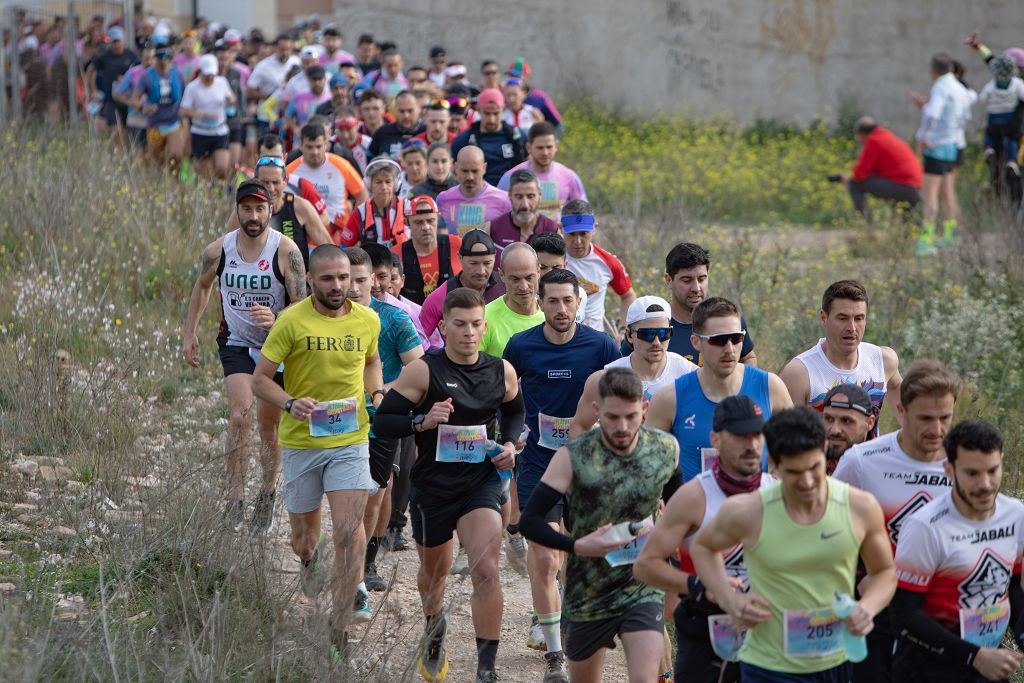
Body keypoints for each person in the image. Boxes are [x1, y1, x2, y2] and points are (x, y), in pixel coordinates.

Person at [372, 288, 524, 683]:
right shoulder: (424, 370)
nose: (469, 332)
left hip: (480, 485)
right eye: (459, 325)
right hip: (432, 488)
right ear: (443, 327)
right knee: (434, 574)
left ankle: (486, 666)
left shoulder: (500, 370)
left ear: (484, 326)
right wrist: (422, 422)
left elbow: (514, 409)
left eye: (476, 325)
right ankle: (433, 626)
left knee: (487, 569)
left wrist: (508, 443)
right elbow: (383, 423)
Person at [690, 406, 897, 682]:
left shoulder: (859, 507)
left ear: (824, 448)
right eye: (795, 472)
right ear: (774, 464)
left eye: (815, 467)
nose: (808, 481)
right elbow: (702, 548)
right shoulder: (750, 512)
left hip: (836, 661)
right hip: (769, 665)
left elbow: (884, 573)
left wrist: (867, 608)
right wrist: (729, 599)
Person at [519, 367, 679, 683]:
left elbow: (678, 509)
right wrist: (577, 546)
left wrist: (673, 548)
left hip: (641, 586)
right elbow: (530, 521)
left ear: (645, 409)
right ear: (597, 410)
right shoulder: (572, 456)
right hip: (588, 590)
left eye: (631, 416)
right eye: (612, 417)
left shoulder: (664, 450)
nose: (622, 427)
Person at [182, 181, 306, 532]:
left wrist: (278, 318)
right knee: (239, 416)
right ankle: (234, 499)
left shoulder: (286, 251)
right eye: (247, 209)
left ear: (270, 211)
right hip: (236, 343)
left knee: (269, 428)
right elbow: (203, 286)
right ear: (237, 210)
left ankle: (266, 495)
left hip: (277, 348)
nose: (253, 217)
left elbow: (302, 302)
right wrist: (189, 333)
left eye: (260, 209)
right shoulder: (219, 250)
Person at [833, 360, 961, 682]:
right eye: (925, 419)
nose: (936, 430)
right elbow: (830, 534)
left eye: (945, 418)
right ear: (901, 410)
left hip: (941, 617)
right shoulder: (861, 462)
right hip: (878, 614)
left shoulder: (965, 465)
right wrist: (858, 580)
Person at [634, 395, 775, 683]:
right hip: (705, 629)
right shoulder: (694, 496)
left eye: (757, 435)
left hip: (766, 628)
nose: (752, 445)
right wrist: (699, 585)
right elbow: (645, 565)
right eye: (740, 436)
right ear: (716, 439)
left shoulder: (779, 493)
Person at [890, 419, 1024, 683]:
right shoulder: (925, 527)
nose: (985, 484)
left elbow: (1011, 584)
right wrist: (973, 655)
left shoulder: (1016, 514)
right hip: (929, 668)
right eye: (972, 473)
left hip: (988, 660)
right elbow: (903, 615)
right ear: (949, 471)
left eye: (992, 471)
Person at [341, 247, 423, 600]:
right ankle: (344, 563)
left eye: (363, 280)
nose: (356, 288)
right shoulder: (319, 318)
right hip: (336, 424)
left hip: (380, 419)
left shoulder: (393, 319)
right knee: (347, 499)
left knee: (377, 496)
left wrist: (378, 391)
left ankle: (364, 567)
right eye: (350, 280)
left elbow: (419, 369)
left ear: (374, 280)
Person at [647, 297, 792, 482]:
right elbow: (649, 469)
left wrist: (775, 481)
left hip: (755, 507)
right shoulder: (669, 399)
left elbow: (797, 451)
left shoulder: (771, 388)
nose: (730, 349)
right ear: (696, 342)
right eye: (719, 340)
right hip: (695, 508)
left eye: (736, 338)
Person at [780, 279, 902, 437]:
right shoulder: (799, 373)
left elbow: (910, 413)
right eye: (843, 318)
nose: (851, 328)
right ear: (824, 317)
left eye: (859, 318)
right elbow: (783, 442)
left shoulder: (883, 360)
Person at [570, 295, 697, 437]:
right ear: (629, 335)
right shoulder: (603, 379)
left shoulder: (689, 374)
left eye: (663, 333)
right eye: (647, 334)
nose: (656, 342)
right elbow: (579, 427)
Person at [622, 242, 757, 365]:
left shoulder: (726, 318)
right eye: (687, 280)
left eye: (701, 279)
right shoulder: (651, 323)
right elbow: (624, 368)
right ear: (669, 280)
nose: (696, 288)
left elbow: (748, 358)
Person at [915, 53, 969, 255]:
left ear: (934, 70)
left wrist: (922, 137)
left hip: (936, 145)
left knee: (929, 196)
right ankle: (949, 236)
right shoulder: (959, 87)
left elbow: (932, 113)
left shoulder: (940, 86)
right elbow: (965, 115)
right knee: (947, 193)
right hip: (952, 145)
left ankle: (926, 240)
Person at [561, 200, 637, 334]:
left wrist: (623, 329)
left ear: (594, 228)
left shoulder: (608, 262)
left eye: (584, 233)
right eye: (572, 234)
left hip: (595, 340)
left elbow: (628, 296)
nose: (578, 241)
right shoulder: (551, 260)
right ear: (560, 229)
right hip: (558, 338)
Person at [286, 123, 368, 242]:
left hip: (340, 234)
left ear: (326, 144)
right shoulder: (290, 171)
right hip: (305, 237)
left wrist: (354, 226)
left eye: (319, 146)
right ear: (301, 145)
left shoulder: (342, 165)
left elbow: (363, 195)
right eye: (309, 147)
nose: (314, 152)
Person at [419, 230, 505, 340]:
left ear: (495, 257)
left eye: (487, 263)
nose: (481, 271)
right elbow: (419, 341)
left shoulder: (506, 286)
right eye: (473, 263)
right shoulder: (440, 297)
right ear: (460, 258)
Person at [836, 117, 922, 222]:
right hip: (916, 188)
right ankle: (919, 230)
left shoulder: (874, 141)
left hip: (903, 187)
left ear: (862, 133)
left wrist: (848, 181)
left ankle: (866, 226)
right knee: (907, 223)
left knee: (855, 184)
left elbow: (859, 175)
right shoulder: (887, 136)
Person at [497, 122, 587, 223]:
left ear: (556, 146)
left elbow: (583, 215)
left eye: (549, 147)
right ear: (528, 147)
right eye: (540, 148)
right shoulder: (510, 178)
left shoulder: (569, 177)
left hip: (558, 236)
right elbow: (498, 215)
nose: (545, 153)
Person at [393, 195, 463, 305]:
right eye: (418, 222)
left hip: (452, 315)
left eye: (430, 220)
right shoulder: (396, 254)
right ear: (407, 223)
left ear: (438, 218)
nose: (426, 227)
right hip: (412, 318)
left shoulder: (456, 244)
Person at [479, 242, 545, 358]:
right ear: (501, 275)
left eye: (529, 278)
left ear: (539, 272)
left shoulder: (552, 314)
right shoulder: (485, 318)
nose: (524, 287)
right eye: (515, 279)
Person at [451, 88, 527, 186]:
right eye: (487, 113)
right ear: (478, 110)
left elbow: (529, 167)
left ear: (503, 109)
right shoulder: (463, 140)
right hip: (477, 194)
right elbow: (454, 171)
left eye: (496, 113)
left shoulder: (517, 136)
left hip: (511, 193)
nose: (491, 119)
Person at [179, 54, 236, 180]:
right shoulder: (192, 87)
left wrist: (230, 100)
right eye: (207, 75)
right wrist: (196, 113)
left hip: (220, 131)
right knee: (204, 173)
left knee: (222, 168)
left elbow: (231, 97)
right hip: (200, 132)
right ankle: (209, 194)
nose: (210, 78)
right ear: (201, 72)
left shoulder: (222, 82)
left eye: (212, 75)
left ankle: (222, 191)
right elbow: (183, 110)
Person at [436, 146, 513, 235]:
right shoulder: (443, 199)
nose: (470, 177)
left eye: (475, 171)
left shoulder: (504, 200)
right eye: (465, 171)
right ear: (456, 168)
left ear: (484, 168)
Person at [488, 169, 560, 262]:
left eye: (530, 196)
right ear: (509, 195)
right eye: (519, 197)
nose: (525, 205)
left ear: (540, 194)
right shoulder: (492, 229)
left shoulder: (552, 230)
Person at [134, 46, 185, 169]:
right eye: (161, 59)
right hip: (155, 123)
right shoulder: (146, 76)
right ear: (155, 59)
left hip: (173, 122)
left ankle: (175, 182)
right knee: (156, 161)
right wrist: (144, 108)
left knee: (176, 155)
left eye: (167, 59)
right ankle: (160, 184)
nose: (164, 62)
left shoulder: (177, 74)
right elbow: (135, 99)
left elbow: (185, 95)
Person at [340, 157, 408, 248]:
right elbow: (344, 246)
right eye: (378, 182)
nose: (384, 187)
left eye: (388, 181)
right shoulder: (360, 213)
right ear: (369, 184)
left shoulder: (407, 207)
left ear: (395, 184)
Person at [86, 25, 138, 140]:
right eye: (114, 42)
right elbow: (90, 71)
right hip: (111, 101)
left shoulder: (131, 55)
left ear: (123, 41)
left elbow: (140, 73)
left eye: (118, 41)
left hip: (127, 100)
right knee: (116, 131)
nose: (117, 45)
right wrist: (93, 90)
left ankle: (126, 155)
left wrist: (127, 80)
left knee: (127, 132)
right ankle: (117, 154)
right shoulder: (104, 57)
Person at [978, 54, 1024, 174]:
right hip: (1010, 117)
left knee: (990, 134)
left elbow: (982, 98)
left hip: (994, 116)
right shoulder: (1017, 83)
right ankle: (1011, 161)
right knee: (1012, 138)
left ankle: (989, 149)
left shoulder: (991, 85)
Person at [820, 383, 876, 474]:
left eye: (846, 421)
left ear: (870, 423)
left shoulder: (883, 468)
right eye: (829, 419)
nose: (835, 430)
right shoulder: (806, 466)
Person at [369, 90, 426, 159]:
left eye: (410, 111)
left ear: (419, 109)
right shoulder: (382, 132)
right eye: (401, 111)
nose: (406, 115)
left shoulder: (427, 132)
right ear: (395, 110)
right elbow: (370, 160)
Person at [283, 65, 331, 133]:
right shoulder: (298, 97)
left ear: (325, 80)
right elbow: (288, 117)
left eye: (320, 79)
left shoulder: (330, 98)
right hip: (302, 139)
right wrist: (295, 129)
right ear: (308, 80)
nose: (317, 83)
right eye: (314, 80)